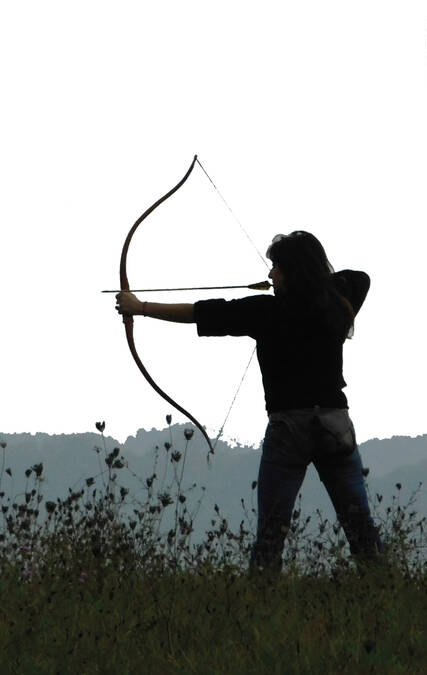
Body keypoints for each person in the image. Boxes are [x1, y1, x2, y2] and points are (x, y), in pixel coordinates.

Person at [116, 230, 382, 573]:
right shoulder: (337, 302)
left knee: (271, 532)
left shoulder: (266, 310)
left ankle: (262, 595)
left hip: (290, 429)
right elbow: (361, 278)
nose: (270, 275)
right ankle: (383, 582)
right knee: (360, 527)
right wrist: (311, 281)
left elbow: (201, 313)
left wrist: (141, 307)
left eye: (277, 268)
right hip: (335, 424)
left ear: (292, 271)